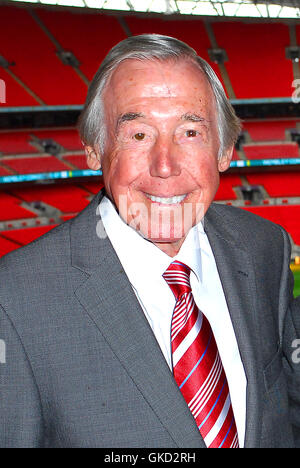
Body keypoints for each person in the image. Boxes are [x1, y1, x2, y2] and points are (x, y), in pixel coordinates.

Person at [0, 34, 299, 448]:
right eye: (138, 135)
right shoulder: (14, 298)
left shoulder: (265, 247)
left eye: (190, 132)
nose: (165, 165)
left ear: (225, 151)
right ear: (94, 150)